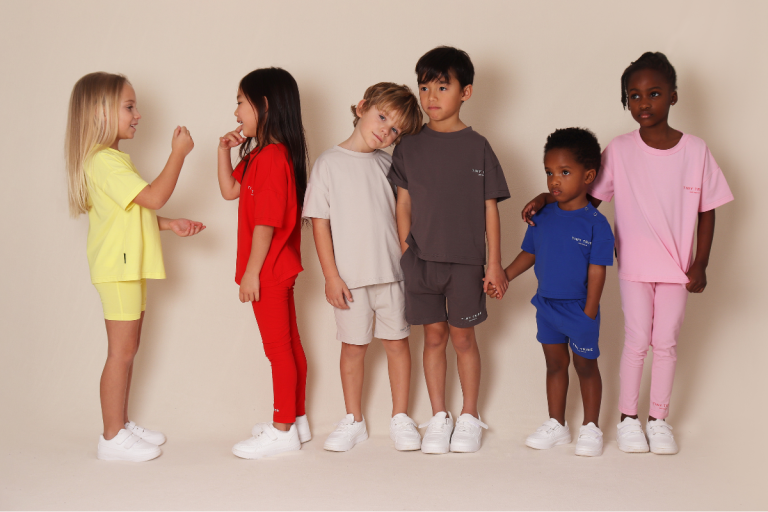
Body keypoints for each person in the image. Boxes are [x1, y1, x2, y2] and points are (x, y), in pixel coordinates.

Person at [521, 52, 733, 454]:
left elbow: (708, 210)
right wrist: (545, 199)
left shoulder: (696, 151)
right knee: (636, 340)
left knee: (666, 342)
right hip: (634, 265)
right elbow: (582, 197)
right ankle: (628, 419)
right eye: (633, 96)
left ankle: (659, 419)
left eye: (653, 93)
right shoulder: (619, 150)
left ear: (673, 96)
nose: (643, 103)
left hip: (678, 269)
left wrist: (700, 262)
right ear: (626, 102)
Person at [65, 72, 205, 461]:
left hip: (127, 267)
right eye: (129, 107)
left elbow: (130, 214)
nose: (138, 114)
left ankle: (120, 424)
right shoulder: (105, 162)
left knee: (128, 350)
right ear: (101, 112)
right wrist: (178, 152)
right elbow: (155, 196)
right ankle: (111, 438)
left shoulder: (110, 160)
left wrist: (169, 225)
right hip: (118, 270)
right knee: (121, 353)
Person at [389, 46, 511, 454]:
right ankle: (439, 415)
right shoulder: (408, 146)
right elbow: (402, 203)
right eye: (424, 87)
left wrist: (493, 264)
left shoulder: (478, 146)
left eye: (442, 86)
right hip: (421, 261)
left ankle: (470, 415)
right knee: (434, 337)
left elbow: (489, 207)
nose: (431, 97)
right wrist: (409, 248)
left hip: (466, 263)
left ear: (466, 92)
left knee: (463, 339)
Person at [303, 83, 423, 452]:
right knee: (353, 348)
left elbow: (405, 218)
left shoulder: (390, 165)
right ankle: (353, 419)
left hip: (393, 276)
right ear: (362, 107)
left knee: (397, 344)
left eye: (394, 130)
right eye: (382, 117)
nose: (385, 131)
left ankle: (400, 417)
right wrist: (331, 276)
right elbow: (319, 223)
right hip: (350, 282)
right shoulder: (328, 163)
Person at [488, 128, 614, 456]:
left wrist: (589, 311)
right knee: (555, 365)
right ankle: (556, 424)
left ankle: (590, 427)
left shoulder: (596, 224)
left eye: (565, 172)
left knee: (586, 366)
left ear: (588, 176)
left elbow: (597, 270)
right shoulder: (541, 216)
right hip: (547, 307)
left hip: (580, 310)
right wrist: (504, 276)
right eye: (549, 172)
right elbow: (530, 254)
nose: (554, 180)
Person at [217, 68, 310, 459]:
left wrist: (252, 272)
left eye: (241, 101)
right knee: (289, 346)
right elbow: (229, 191)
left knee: (278, 351)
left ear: (264, 105)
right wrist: (223, 149)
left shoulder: (272, 158)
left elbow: (266, 223)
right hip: (275, 267)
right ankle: (296, 419)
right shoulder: (262, 154)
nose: (236, 111)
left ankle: (282, 428)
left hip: (268, 270)